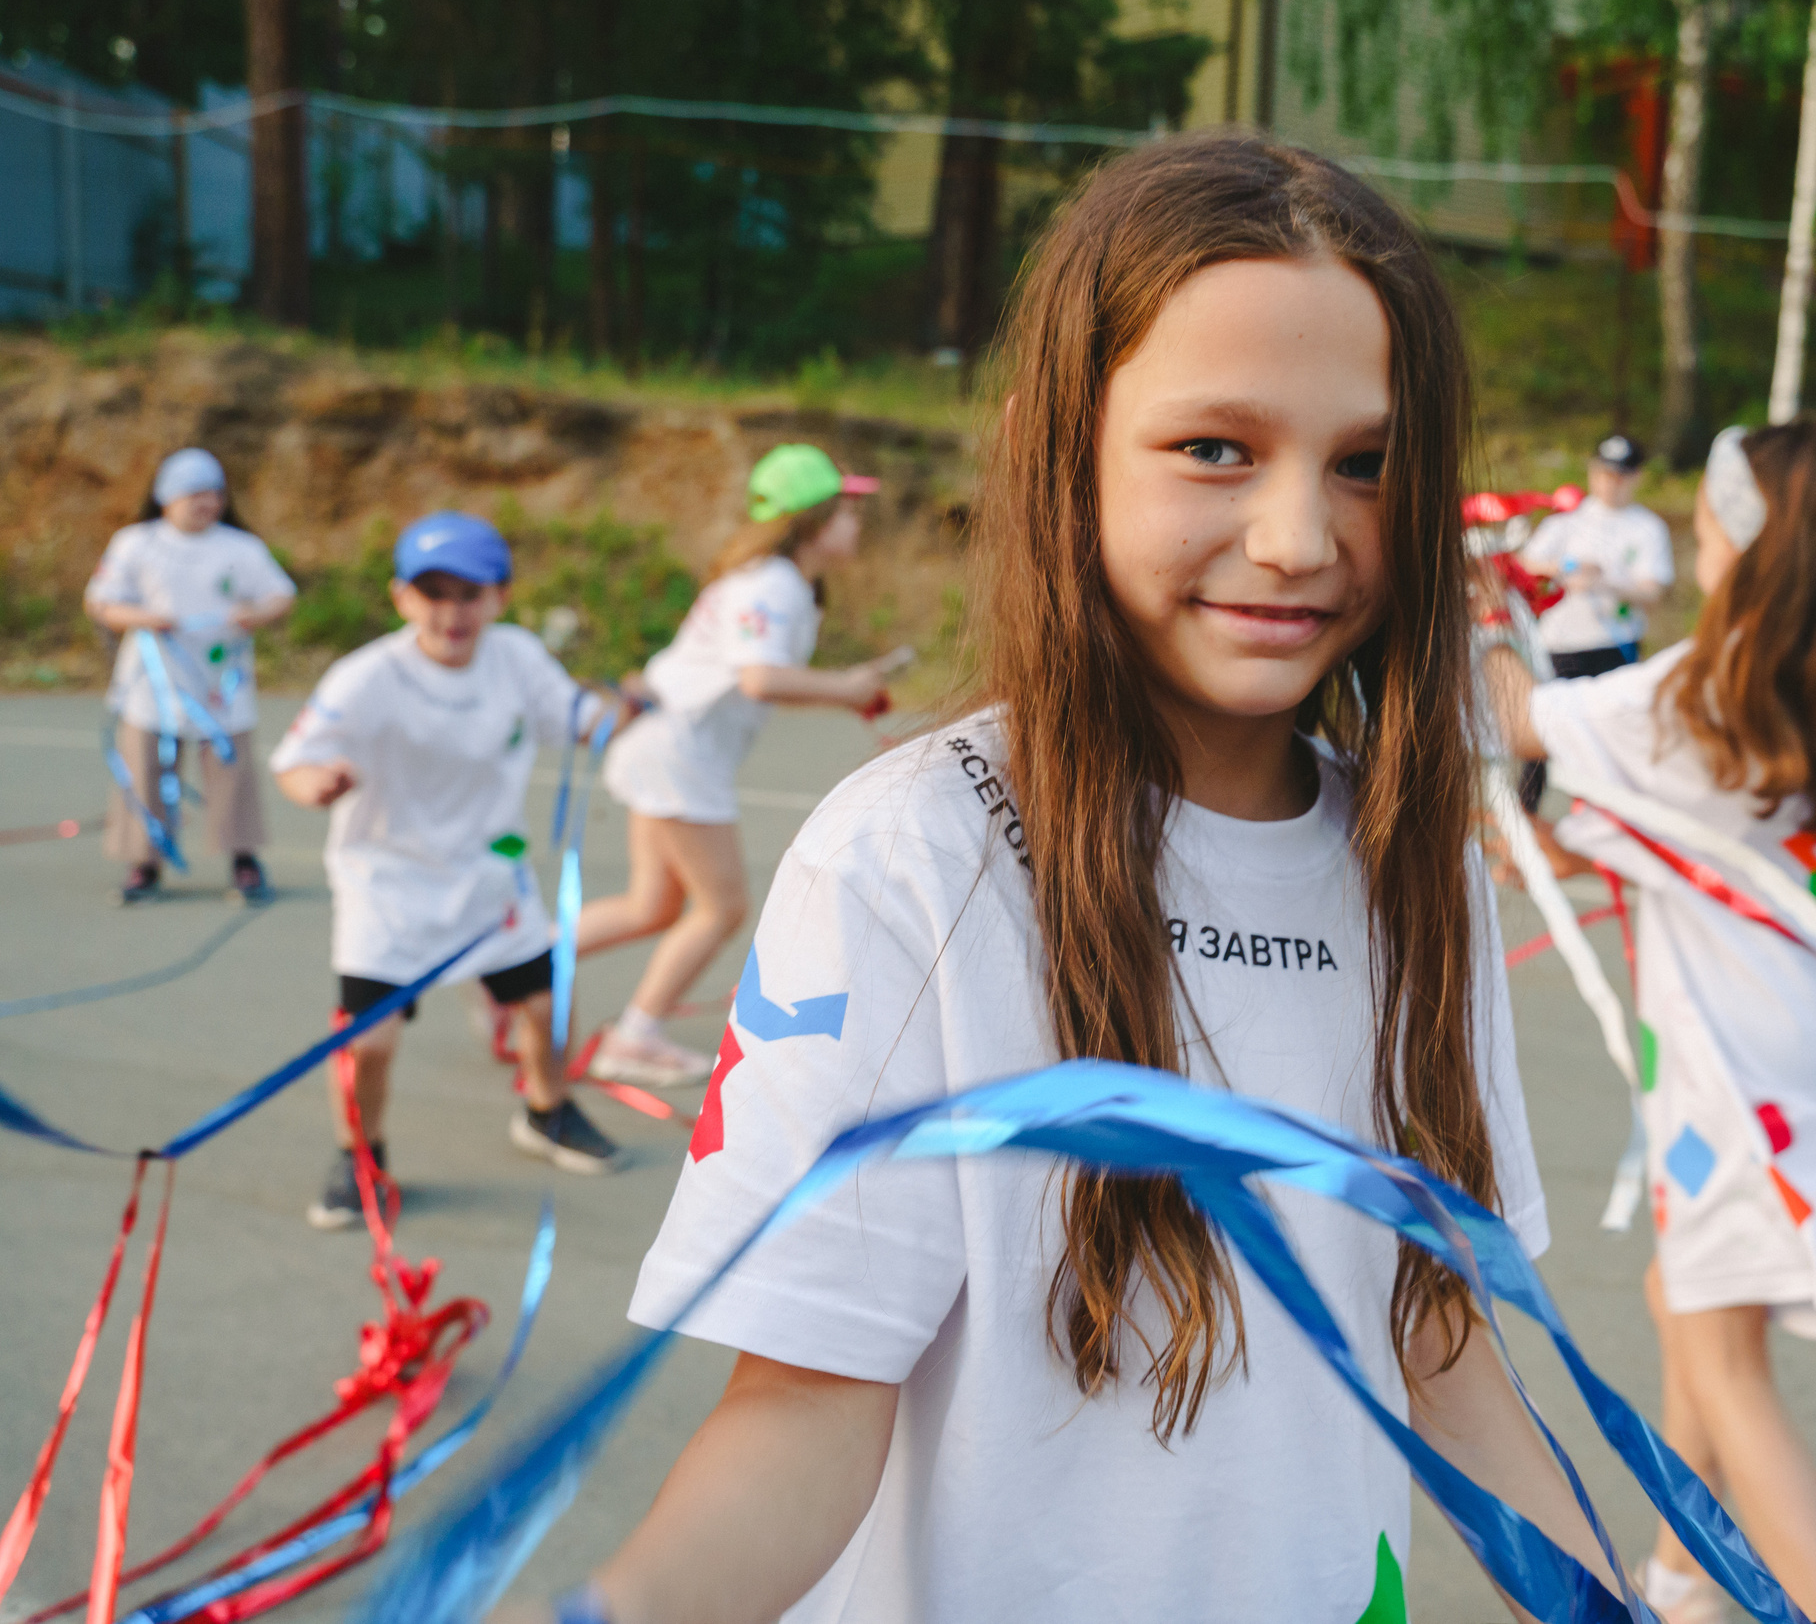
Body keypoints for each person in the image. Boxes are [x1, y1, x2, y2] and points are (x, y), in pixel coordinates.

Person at [509, 136, 1613, 1624]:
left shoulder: (1417, 870)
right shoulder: (914, 853)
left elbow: (1442, 1347)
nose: (1299, 538)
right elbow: (801, 1408)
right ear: (1061, 444)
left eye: (1364, 461)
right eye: (1215, 447)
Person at [1492, 418, 1816, 1624]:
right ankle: (1682, 1581)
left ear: (1747, 538)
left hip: (1738, 1083)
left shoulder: (1702, 696)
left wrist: (1474, 601)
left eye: (1711, 511)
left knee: (1722, 1356)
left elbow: (1514, 720)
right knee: (1685, 1300)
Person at [271, 511, 628, 1231]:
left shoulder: (518, 657)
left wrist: (631, 702)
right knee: (367, 1045)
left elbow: (581, 718)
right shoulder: (369, 675)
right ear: (403, 597)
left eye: (469, 593)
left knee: (545, 1006)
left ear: (498, 596)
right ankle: (361, 1157)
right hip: (389, 883)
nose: (452, 611)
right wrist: (318, 783)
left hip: (490, 880)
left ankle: (546, 1109)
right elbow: (295, 761)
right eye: (433, 592)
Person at [573, 444, 909, 1088]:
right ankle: (633, 1036)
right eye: (847, 509)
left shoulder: (775, 581)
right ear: (813, 519)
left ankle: (519, 971)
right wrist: (848, 688)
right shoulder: (773, 584)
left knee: (652, 905)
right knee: (722, 907)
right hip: (678, 755)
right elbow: (758, 679)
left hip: (667, 743)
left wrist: (847, 691)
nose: (858, 522)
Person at [84, 448, 298, 906]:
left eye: (214, 494)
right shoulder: (135, 543)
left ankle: (243, 859)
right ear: (167, 497)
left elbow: (281, 594)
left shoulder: (241, 547)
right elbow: (101, 601)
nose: (207, 503)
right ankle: (144, 861)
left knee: (231, 771)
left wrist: (254, 612)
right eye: (195, 494)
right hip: (152, 683)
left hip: (221, 684)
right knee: (145, 769)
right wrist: (144, 617)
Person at [1511, 432, 1675, 811]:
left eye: (1620, 475)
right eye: (1604, 473)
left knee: (1605, 742)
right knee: (1541, 737)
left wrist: (1603, 581)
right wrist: (1566, 568)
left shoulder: (1647, 528)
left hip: (1614, 646)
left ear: (1635, 477)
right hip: (1561, 644)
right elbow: (1523, 565)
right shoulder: (1566, 522)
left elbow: (1653, 590)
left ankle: (1595, 827)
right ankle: (1525, 825)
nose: (1610, 483)